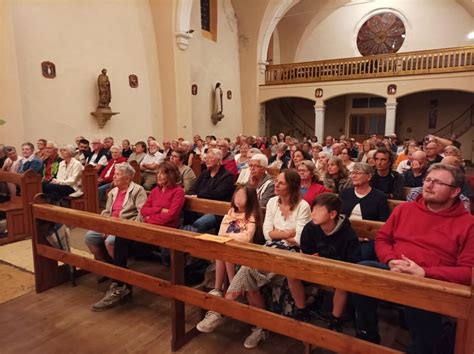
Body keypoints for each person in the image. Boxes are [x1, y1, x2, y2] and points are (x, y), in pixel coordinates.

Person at [354, 163, 474, 353]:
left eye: (438, 182)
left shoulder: (468, 224)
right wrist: (391, 260)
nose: (429, 185)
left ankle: (422, 347)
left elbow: (468, 271)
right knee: (361, 270)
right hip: (396, 270)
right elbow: (383, 238)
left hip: (433, 283)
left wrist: (425, 272)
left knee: (421, 299)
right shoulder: (405, 210)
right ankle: (367, 333)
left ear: (455, 191)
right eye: (428, 180)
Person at [201, 170, 310, 349]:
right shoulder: (273, 202)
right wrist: (287, 233)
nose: (276, 184)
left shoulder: (303, 206)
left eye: (281, 183)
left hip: (291, 253)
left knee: (248, 273)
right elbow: (267, 234)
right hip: (269, 249)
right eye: (276, 181)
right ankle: (260, 327)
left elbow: (299, 239)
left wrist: (281, 234)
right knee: (249, 276)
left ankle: (220, 311)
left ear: (292, 186)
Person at [196, 185, 263, 333]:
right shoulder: (232, 212)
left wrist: (231, 233)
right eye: (236, 195)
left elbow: (246, 238)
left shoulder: (251, 215)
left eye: (242, 196)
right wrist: (233, 234)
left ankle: (232, 286)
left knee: (227, 248)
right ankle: (217, 288)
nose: (237, 199)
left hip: (246, 254)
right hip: (230, 251)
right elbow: (221, 233)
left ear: (250, 199)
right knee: (223, 249)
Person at [298, 193, 361, 332]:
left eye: (318, 211)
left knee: (342, 282)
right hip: (314, 268)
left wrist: (325, 261)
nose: (312, 214)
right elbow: (307, 252)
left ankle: (335, 319)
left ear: (332, 214)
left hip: (338, 272)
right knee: (291, 274)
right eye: (312, 209)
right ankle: (301, 309)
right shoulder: (310, 228)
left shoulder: (347, 233)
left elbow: (352, 260)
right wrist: (312, 259)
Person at [84, 163, 147, 268]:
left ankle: (119, 269)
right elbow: (107, 211)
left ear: (127, 178)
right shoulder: (113, 192)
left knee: (110, 241)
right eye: (114, 173)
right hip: (110, 224)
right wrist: (104, 225)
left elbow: (142, 212)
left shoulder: (138, 190)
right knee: (89, 237)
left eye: (117, 174)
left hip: (125, 226)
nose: (114, 176)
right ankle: (106, 266)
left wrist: (134, 228)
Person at [340, 163, 389, 260]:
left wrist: (366, 235)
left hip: (368, 239)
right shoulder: (345, 193)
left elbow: (383, 222)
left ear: (369, 176)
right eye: (352, 173)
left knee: (360, 256)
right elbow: (338, 216)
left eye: (357, 173)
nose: (353, 176)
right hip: (345, 235)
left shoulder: (379, 196)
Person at [187, 148, 235, 233]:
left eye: (211, 158)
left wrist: (198, 196)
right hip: (199, 207)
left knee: (199, 224)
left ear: (218, 160)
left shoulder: (227, 175)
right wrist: (193, 195)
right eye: (206, 158)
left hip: (218, 210)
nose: (207, 160)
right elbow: (192, 189)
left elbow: (218, 194)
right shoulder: (204, 173)